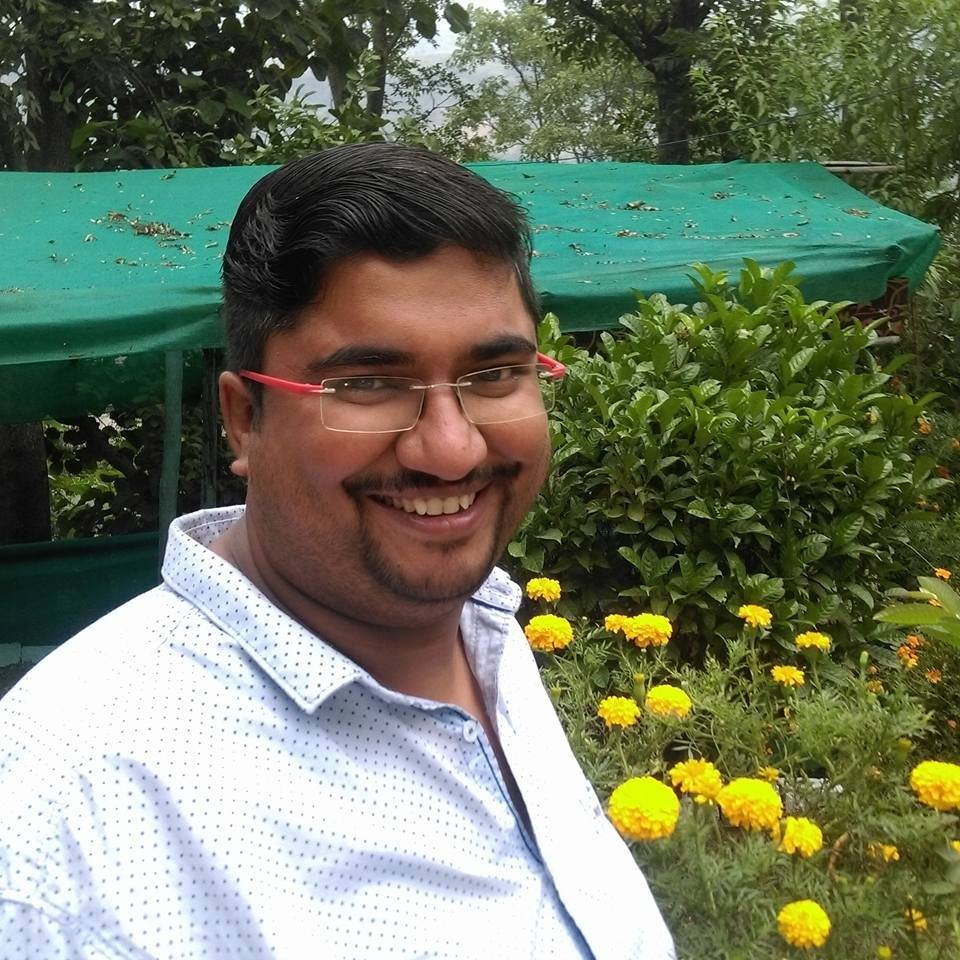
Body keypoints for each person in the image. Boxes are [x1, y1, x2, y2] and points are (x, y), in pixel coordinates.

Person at [0, 143, 674, 959]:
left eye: (496, 374)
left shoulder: (484, 631)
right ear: (244, 420)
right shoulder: (67, 819)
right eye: (367, 385)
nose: (452, 450)